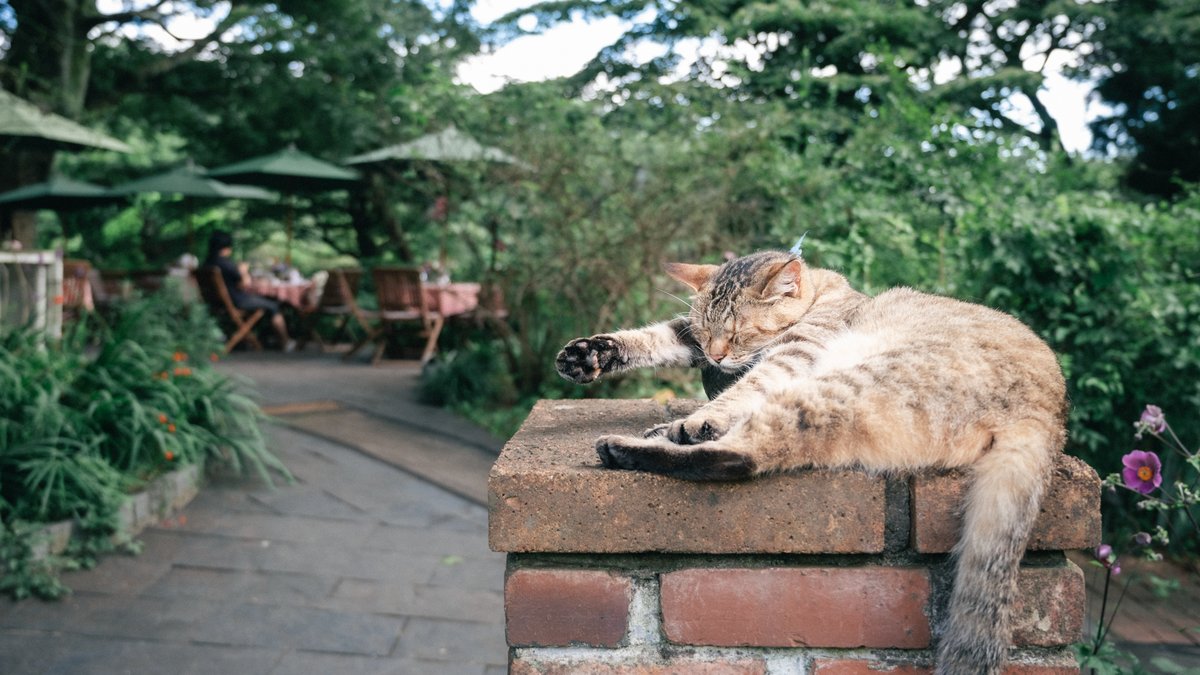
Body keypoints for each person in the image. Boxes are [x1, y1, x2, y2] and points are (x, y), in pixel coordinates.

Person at [202, 230, 296, 352]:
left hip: (217, 303)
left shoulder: (207, 264)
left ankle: (260, 340)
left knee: (265, 303)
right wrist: (244, 270)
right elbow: (245, 284)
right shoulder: (226, 264)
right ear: (226, 248)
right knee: (273, 305)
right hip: (237, 301)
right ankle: (285, 342)